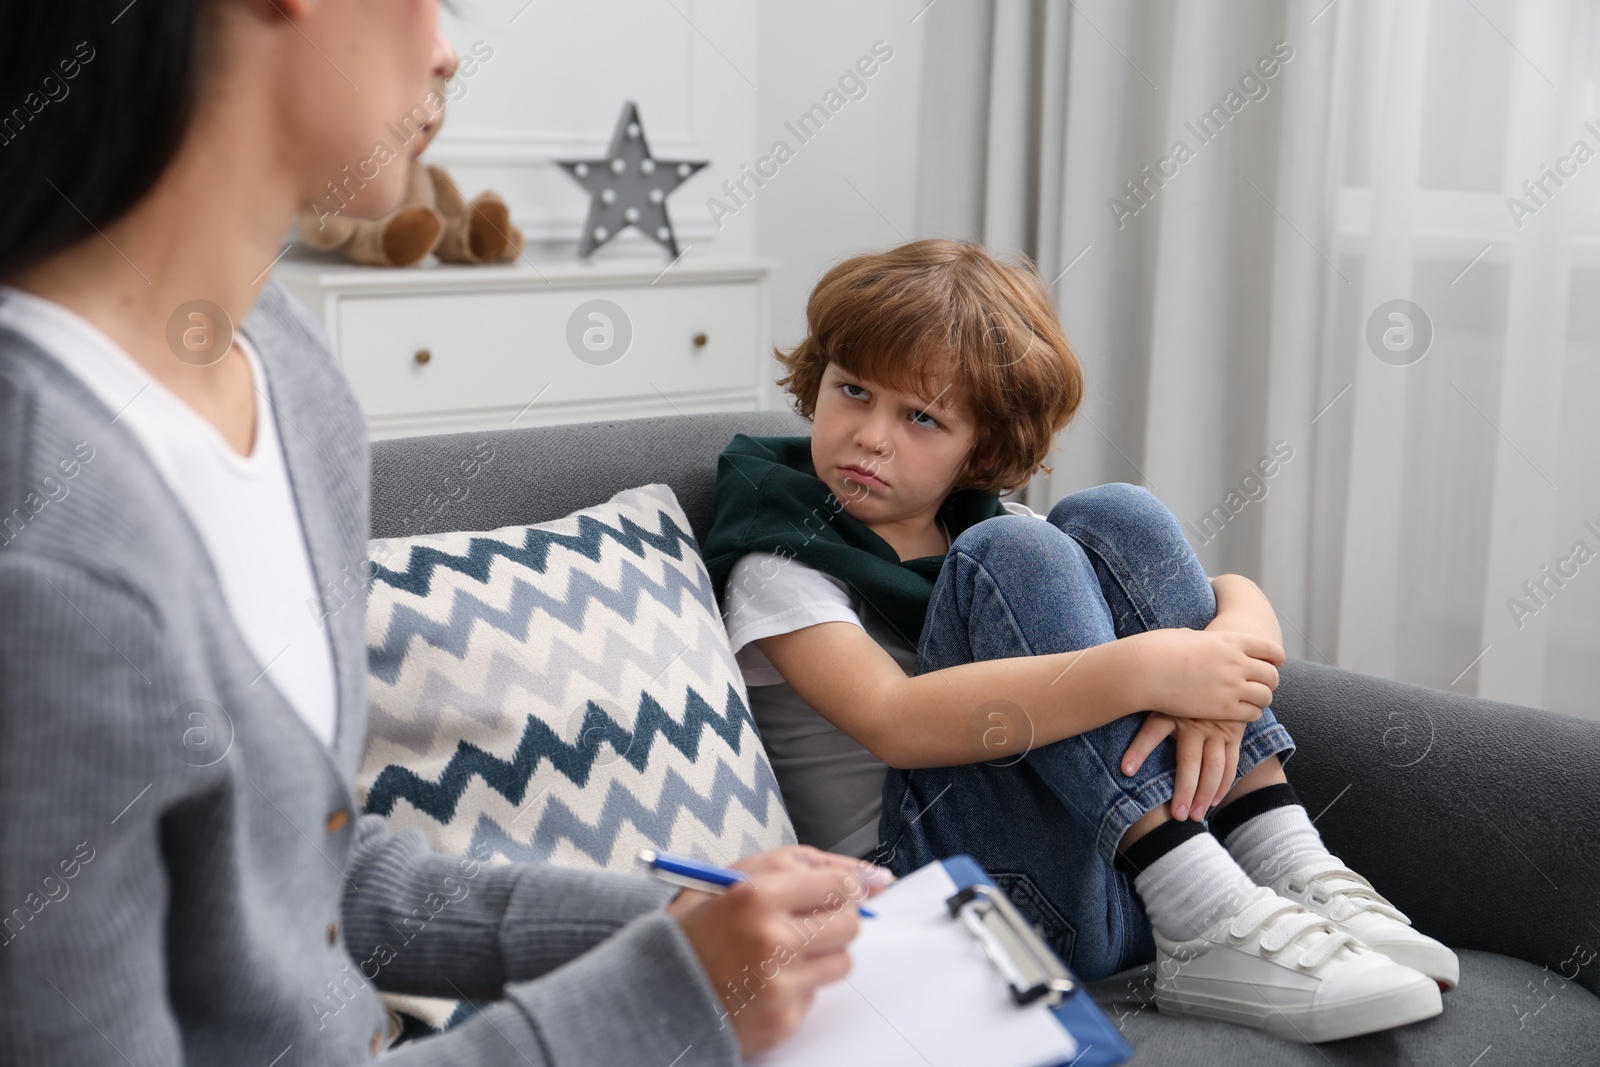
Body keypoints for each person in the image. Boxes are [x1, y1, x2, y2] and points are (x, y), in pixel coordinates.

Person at [0, 3, 889, 1064]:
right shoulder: (49, 557)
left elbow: (307, 875)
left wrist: (673, 924)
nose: (447, 48)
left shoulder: (286, 375)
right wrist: (661, 1003)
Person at [699, 237, 1461, 1044]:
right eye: (853, 391)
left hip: (1118, 891)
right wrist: (1144, 671)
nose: (872, 436)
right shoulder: (785, 554)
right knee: (1015, 556)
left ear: (981, 450)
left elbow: (1236, 595)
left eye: (922, 416)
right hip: (950, 901)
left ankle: (1284, 863)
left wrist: (1214, 662)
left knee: (1116, 513)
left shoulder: (997, 534)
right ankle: (1203, 903)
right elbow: (892, 717)